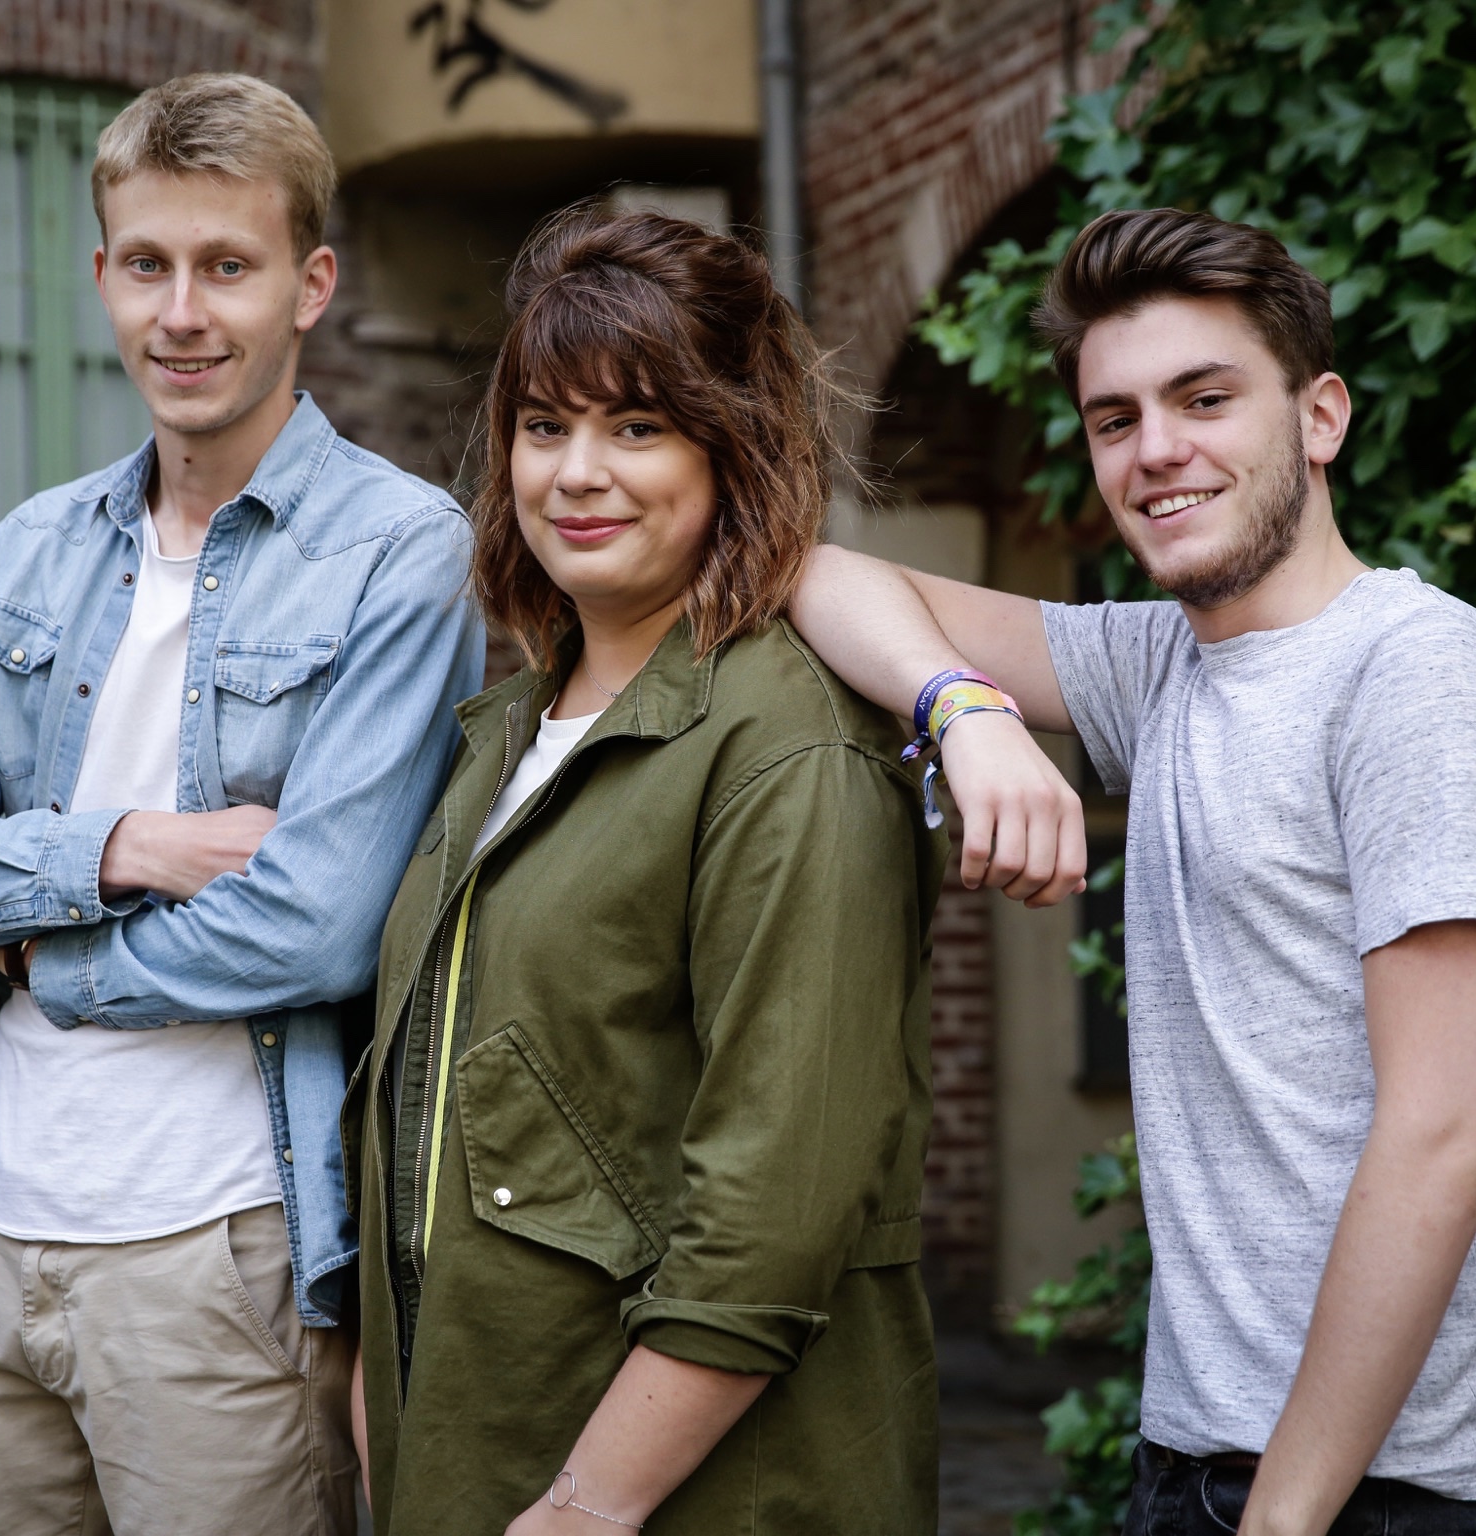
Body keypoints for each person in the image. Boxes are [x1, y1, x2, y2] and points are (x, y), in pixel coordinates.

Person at [787, 208, 1476, 1536]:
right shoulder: (1163, 669)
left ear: (1317, 418)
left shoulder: (1415, 674)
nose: (1154, 452)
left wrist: (1281, 1516)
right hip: (1199, 1461)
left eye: (1203, 399)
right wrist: (965, 715)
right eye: (1112, 418)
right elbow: (810, 570)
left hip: (1389, 1496)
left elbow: (1443, 1137)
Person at [0, 74, 482, 1536]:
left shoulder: (397, 553)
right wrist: (121, 847)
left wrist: (38, 950)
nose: (181, 315)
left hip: (221, 1248)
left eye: (226, 267)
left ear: (309, 284)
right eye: (147, 266)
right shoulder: (33, 548)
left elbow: (316, 926)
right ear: (102, 276)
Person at [344, 206, 948, 1535]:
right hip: (478, 1452)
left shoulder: (785, 745)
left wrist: (585, 1505)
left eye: (636, 427)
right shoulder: (504, 731)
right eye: (544, 425)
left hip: (681, 1498)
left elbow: (773, 1202)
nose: (575, 473)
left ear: (731, 449)